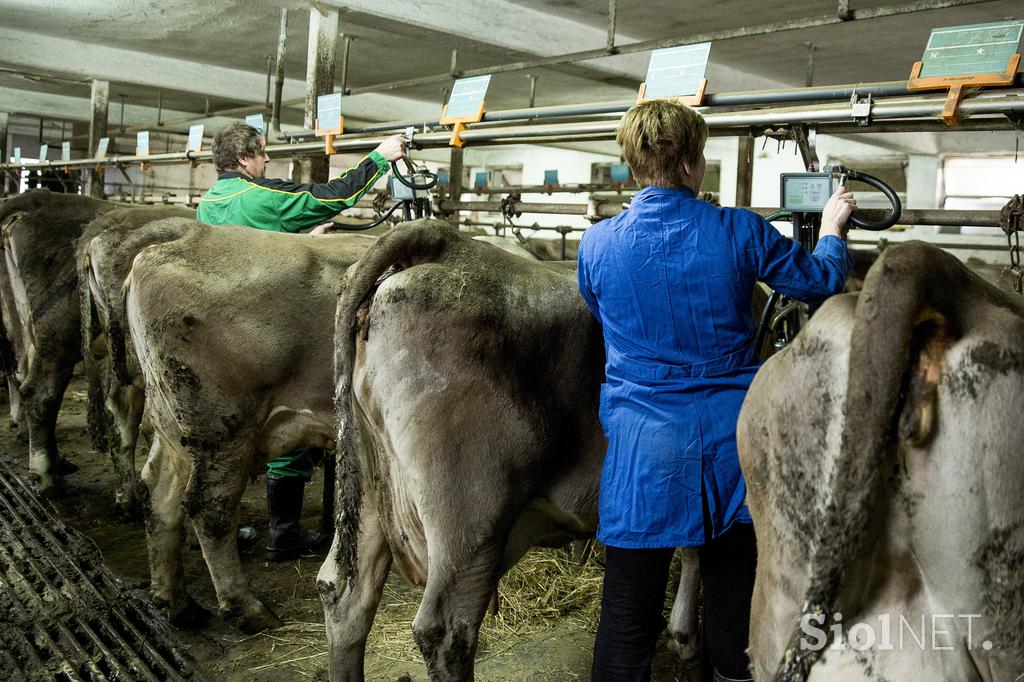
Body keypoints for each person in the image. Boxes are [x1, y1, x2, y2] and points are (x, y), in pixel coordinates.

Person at [579, 100, 855, 682]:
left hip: (641, 454)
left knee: (627, 617)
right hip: (733, 451)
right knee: (734, 609)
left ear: (634, 164)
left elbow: (602, 311)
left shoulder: (597, 245)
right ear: (690, 165)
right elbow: (821, 283)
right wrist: (830, 229)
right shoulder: (738, 229)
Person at [197, 122, 406, 562]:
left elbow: (254, 248)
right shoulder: (257, 196)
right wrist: (381, 155)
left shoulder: (210, 202)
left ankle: (267, 531)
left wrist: (300, 242)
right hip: (270, 323)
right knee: (298, 415)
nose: (266, 161)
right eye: (262, 154)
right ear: (243, 160)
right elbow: (332, 197)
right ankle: (284, 533)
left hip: (225, 328)